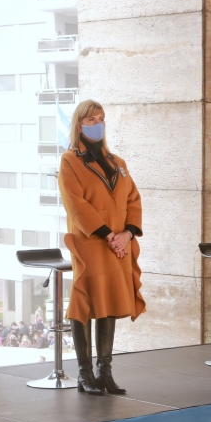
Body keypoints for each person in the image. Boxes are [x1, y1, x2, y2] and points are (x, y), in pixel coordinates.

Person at [59, 99, 146, 395]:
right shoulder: (69, 160)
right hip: (91, 241)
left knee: (108, 301)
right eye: (91, 119)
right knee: (85, 302)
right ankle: (85, 374)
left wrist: (127, 235)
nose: (98, 124)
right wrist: (109, 234)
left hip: (119, 244)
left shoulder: (118, 163)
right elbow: (75, 203)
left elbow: (132, 200)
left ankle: (104, 371)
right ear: (80, 123)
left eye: (101, 118)